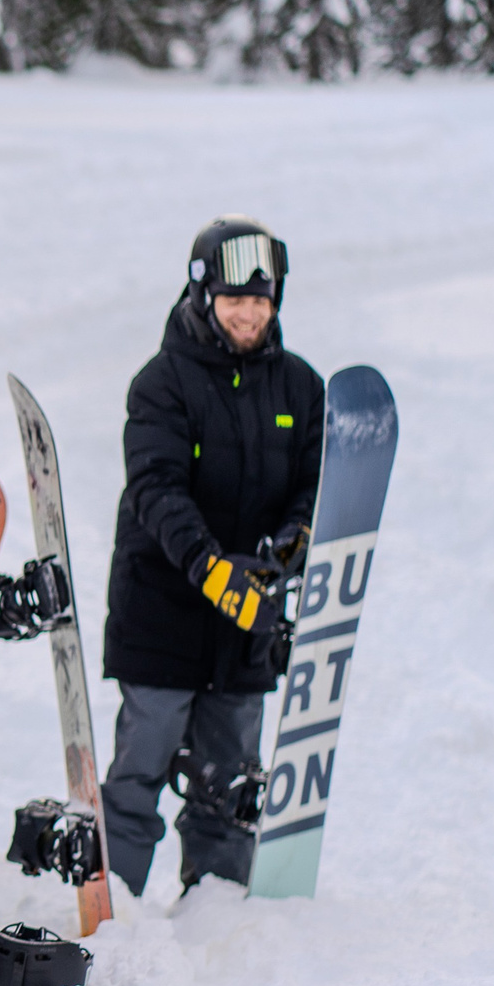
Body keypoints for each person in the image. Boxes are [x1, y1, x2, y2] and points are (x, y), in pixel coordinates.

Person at [100, 216, 323, 895]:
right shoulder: (162, 383)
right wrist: (208, 566)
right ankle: (116, 902)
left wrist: (293, 539)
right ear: (202, 296)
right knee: (144, 763)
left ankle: (216, 911)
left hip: (246, 616)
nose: (249, 312)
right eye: (235, 298)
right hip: (162, 609)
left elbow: (314, 483)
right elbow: (155, 489)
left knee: (230, 775)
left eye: (261, 298)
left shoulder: (299, 388)